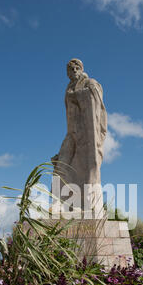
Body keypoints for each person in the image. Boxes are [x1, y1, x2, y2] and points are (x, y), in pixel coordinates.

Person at [52, 59, 107, 216]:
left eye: (76, 68)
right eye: (70, 69)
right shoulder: (68, 88)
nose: (74, 70)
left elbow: (96, 104)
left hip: (89, 133)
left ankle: (86, 204)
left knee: (89, 167)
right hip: (72, 133)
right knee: (61, 164)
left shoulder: (90, 83)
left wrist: (77, 95)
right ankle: (60, 202)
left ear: (81, 69)